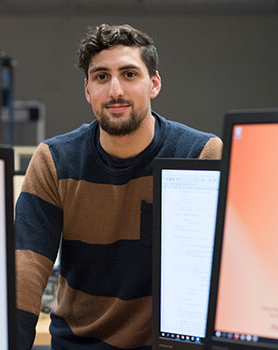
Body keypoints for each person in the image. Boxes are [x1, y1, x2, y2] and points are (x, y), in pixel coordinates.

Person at [15, 23, 222, 350]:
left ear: (154, 84)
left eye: (129, 74)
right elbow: (25, 271)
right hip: (78, 344)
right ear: (87, 90)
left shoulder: (199, 155)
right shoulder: (54, 161)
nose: (115, 91)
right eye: (101, 77)